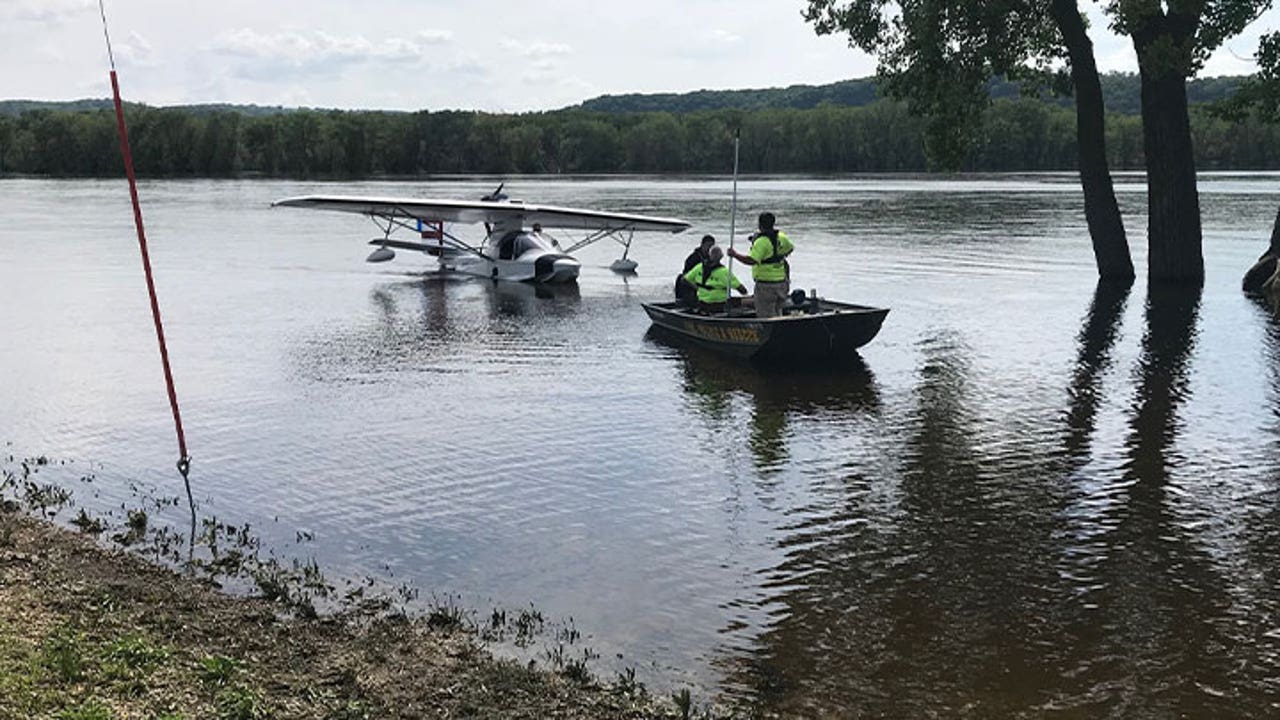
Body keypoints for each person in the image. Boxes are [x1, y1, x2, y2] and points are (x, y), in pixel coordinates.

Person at [729, 212, 794, 318]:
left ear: (759, 225)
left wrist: (735, 255)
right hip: (782, 283)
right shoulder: (781, 237)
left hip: (766, 285)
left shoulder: (761, 242)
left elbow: (751, 260)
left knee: (766, 315)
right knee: (778, 311)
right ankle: (781, 331)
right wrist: (778, 256)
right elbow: (790, 248)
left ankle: (770, 333)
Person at [680, 245, 747, 314]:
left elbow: (684, 280)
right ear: (721, 257)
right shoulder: (724, 272)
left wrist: (696, 288)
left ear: (709, 255)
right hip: (719, 306)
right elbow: (743, 291)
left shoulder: (699, 267)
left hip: (702, 304)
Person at [675, 234, 716, 304]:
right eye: (708, 246)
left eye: (712, 247)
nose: (710, 249)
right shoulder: (692, 259)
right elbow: (685, 279)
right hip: (690, 287)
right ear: (702, 245)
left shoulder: (712, 259)